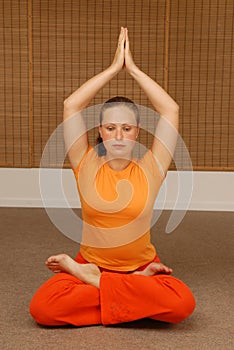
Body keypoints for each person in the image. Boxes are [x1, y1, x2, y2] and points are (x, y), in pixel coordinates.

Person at [30, 27, 195, 326]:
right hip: (91, 264)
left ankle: (97, 285)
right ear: (100, 131)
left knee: (182, 303)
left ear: (137, 133)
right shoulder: (85, 162)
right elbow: (72, 105)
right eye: (110, 128)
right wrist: (111, 69)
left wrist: (132, 69)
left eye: (127, 128)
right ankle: (120, 292)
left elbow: (170, 109)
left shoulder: (152, 168)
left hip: (141, 267)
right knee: (43, 308)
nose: (118, 135)